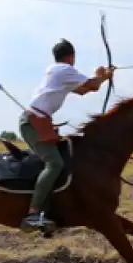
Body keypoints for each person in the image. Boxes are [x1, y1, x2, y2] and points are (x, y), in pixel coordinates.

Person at [18, 38, 114, 232]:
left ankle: (49, 207)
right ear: (71, 57)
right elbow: (92, 86)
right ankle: (33, 213)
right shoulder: (64, 70)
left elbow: (82, 90)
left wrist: (100, 77)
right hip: (33, 123)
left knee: (59, 160)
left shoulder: (56, 71)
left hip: (38, 121)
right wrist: (104, 76)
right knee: (54, 163)